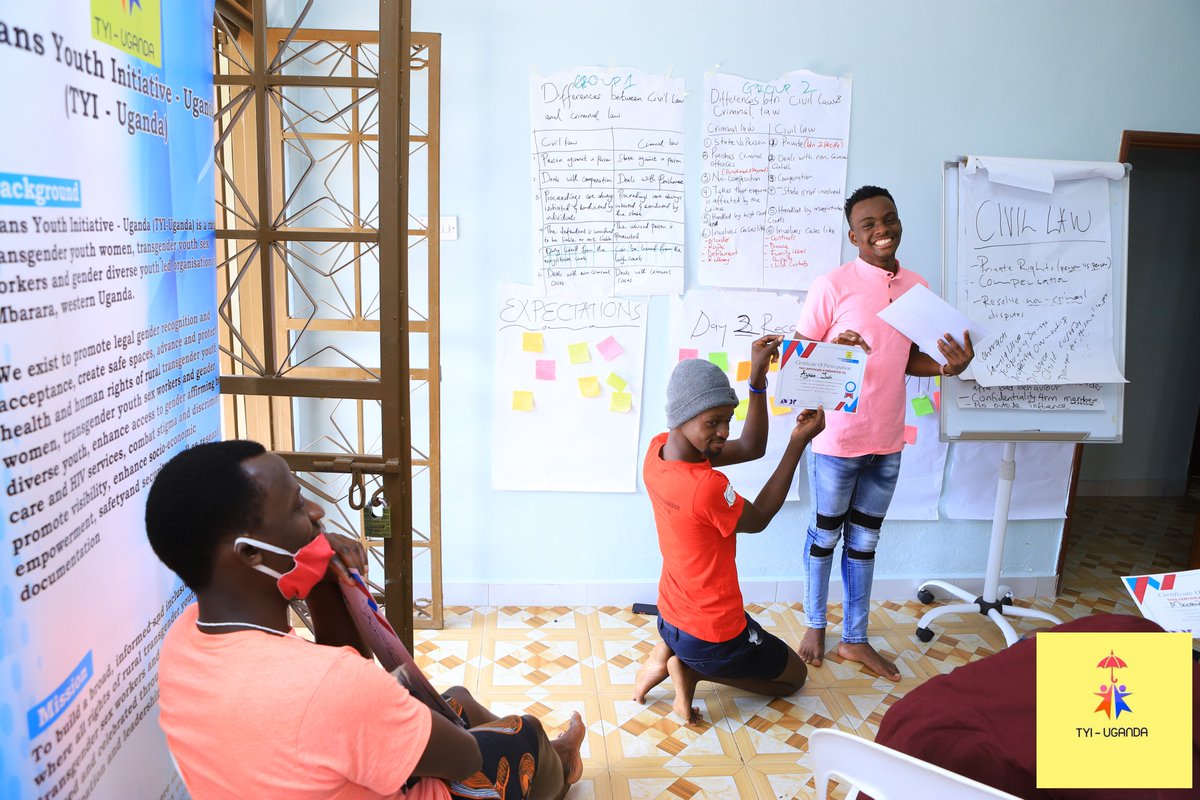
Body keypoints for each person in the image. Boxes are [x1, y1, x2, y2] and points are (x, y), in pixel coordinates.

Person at [146, 440, 585, 800]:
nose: (317, 513)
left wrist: (325, 585)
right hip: (425, 768)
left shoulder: (183, 642)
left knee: (458, 698)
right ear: (250, 553)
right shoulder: (331, 685)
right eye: (298, 508)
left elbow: (332, 706)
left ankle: (555, 754)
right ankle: (560, 763)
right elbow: (463, 757)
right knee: (519, 733)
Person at [794, 185, 974, 681]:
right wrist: (835, 346)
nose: (882, 230)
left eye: (889, 219)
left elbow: (905, 358)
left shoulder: (916, 287)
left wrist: (947, 368)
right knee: (825, 535)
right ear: (853, 235)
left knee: (865, 542)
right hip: (837, 440)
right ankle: (814, 624)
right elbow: (800, 358)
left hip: (888, 439)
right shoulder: (832, 285)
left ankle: (855, 640)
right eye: (869, 224)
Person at [633, 335, 826, 724]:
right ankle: (692, 670)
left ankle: (666, 653)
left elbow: (751, 446)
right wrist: (797, 445)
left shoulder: (657, 453)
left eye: (727, 420)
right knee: (795, 678)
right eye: (712, 422)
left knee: (752, 645)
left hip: (671, 616)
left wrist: (758, 378)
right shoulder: (706, 487)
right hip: (711, 634)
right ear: (683, 418)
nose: (723, 432)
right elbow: (759, 520)